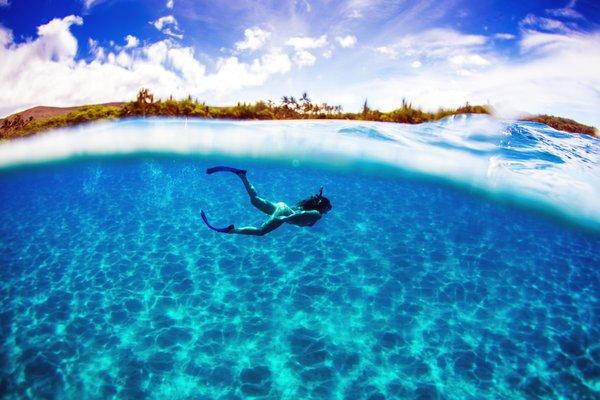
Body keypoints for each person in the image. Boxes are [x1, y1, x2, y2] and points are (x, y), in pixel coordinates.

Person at [201, 166, 332, 236]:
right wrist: (284, 219)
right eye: (327, 209)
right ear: (323, 207)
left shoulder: (309, 208)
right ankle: (232, 231)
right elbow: (302, 215)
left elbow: (302, 213)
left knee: (255, 199)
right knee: (261, 231)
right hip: (284, 213)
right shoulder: (317, 214)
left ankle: (242, 175)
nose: (326, 212)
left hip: (282, 207)